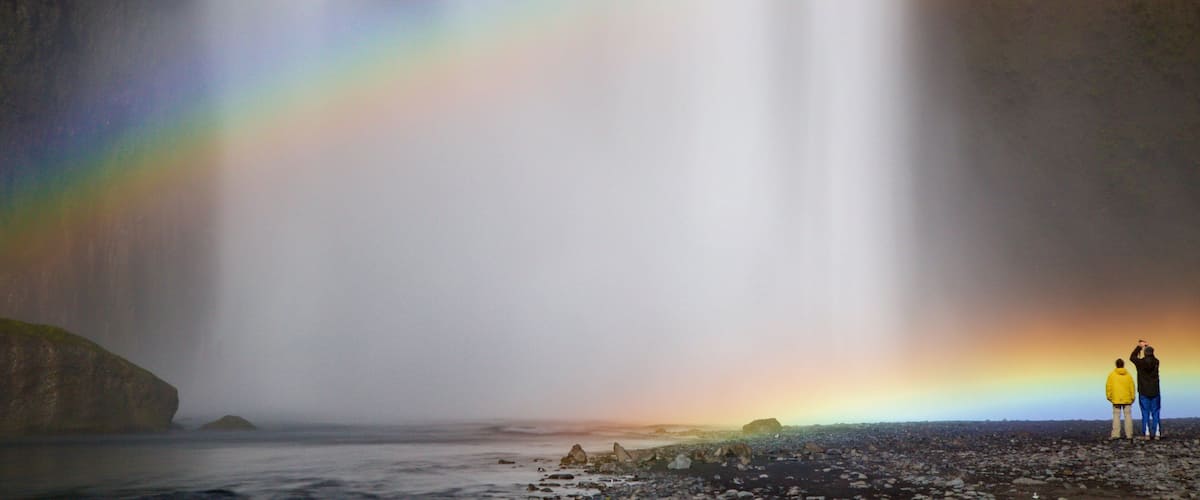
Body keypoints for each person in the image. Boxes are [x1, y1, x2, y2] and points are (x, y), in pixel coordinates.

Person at [1130, 340, 1162, 440]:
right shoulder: (1156, 362)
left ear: (1145, 353)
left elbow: (1132, 357)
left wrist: (1140, 346)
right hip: (1155, 390)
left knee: (1145, 412)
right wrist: (1147, 347)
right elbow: (1152, 358)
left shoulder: (1140, 363)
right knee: (1155, 412)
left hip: (1144, 391)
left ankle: (1147, 433)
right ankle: (1157, 433)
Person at [1105, 358, 1136, 440]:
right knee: (1128, 416)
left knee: (1116, 416)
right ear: (1123, 364)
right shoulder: (1128, 375)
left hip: (1116, 398)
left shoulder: (1112, 375)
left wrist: (1109, 396)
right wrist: (1133, 397)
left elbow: (1108, 386)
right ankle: (1129, 435)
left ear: (1116, 365)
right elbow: (1132, 386)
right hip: (1127, 399)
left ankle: (1116, 434)